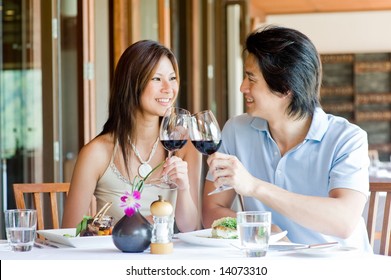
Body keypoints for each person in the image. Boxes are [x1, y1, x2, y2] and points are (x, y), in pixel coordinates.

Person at [202, 25, 372, 252]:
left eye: (251, 78)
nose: (243, 87)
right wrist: (260, 229)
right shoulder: (236, 131)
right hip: (267, 265)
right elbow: (212, 208)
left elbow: (343, 222)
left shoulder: (348, 139)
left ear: (284, 87)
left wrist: (254, 187)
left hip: (337, 268)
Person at [62, 40, 201, 233]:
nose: (169, 89)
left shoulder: (185, 147)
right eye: (156, 79)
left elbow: (192, 228)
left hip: (168, 258)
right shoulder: (96, 153)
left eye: (172, 78)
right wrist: (137, 225)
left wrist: (183, 188)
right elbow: (70, 231)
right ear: (132, 83)